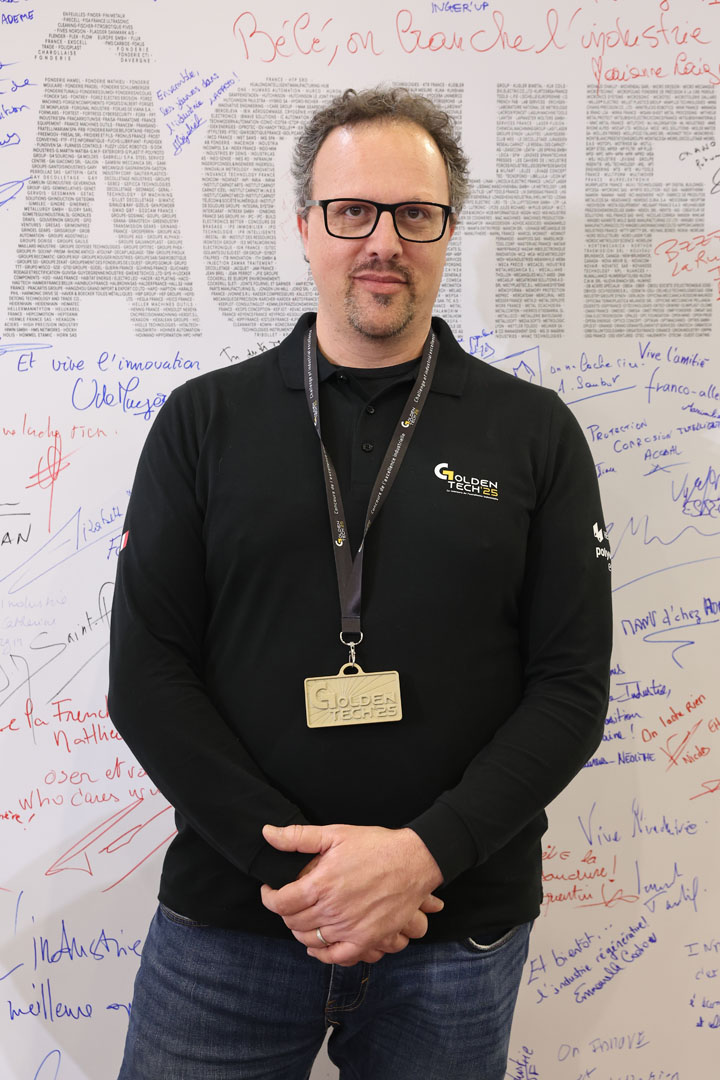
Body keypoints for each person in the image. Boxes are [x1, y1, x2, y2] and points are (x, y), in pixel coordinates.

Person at [109, 86, 613, 1080]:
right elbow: (148, 678)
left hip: (452, 930)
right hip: (233, 926)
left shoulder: (535, 434)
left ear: (448, 232)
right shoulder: (202, 424)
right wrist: (308, 877)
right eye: (352, 212)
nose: (383, 241)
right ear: (306, 227)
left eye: (415, 214)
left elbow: (569, 689)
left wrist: (419, 859)